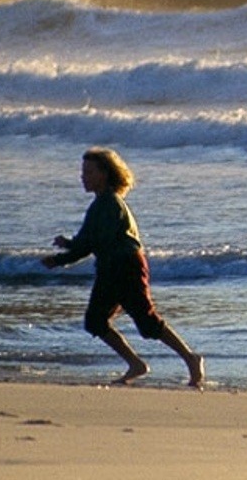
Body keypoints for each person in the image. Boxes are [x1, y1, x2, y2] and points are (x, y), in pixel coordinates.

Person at [42, 147, 205, 388]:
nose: (83, 177)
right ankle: (136, 364)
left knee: (147, 322)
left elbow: (93, 243)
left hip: (125, 266)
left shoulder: (109, 203)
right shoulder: (100, 203)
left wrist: (60, 260)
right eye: (82, 171)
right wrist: (69, 245)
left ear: (105, 174)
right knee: (96, 321)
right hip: (111, 267)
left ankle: (191, 359)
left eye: (89, 172)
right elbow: (88, 239)